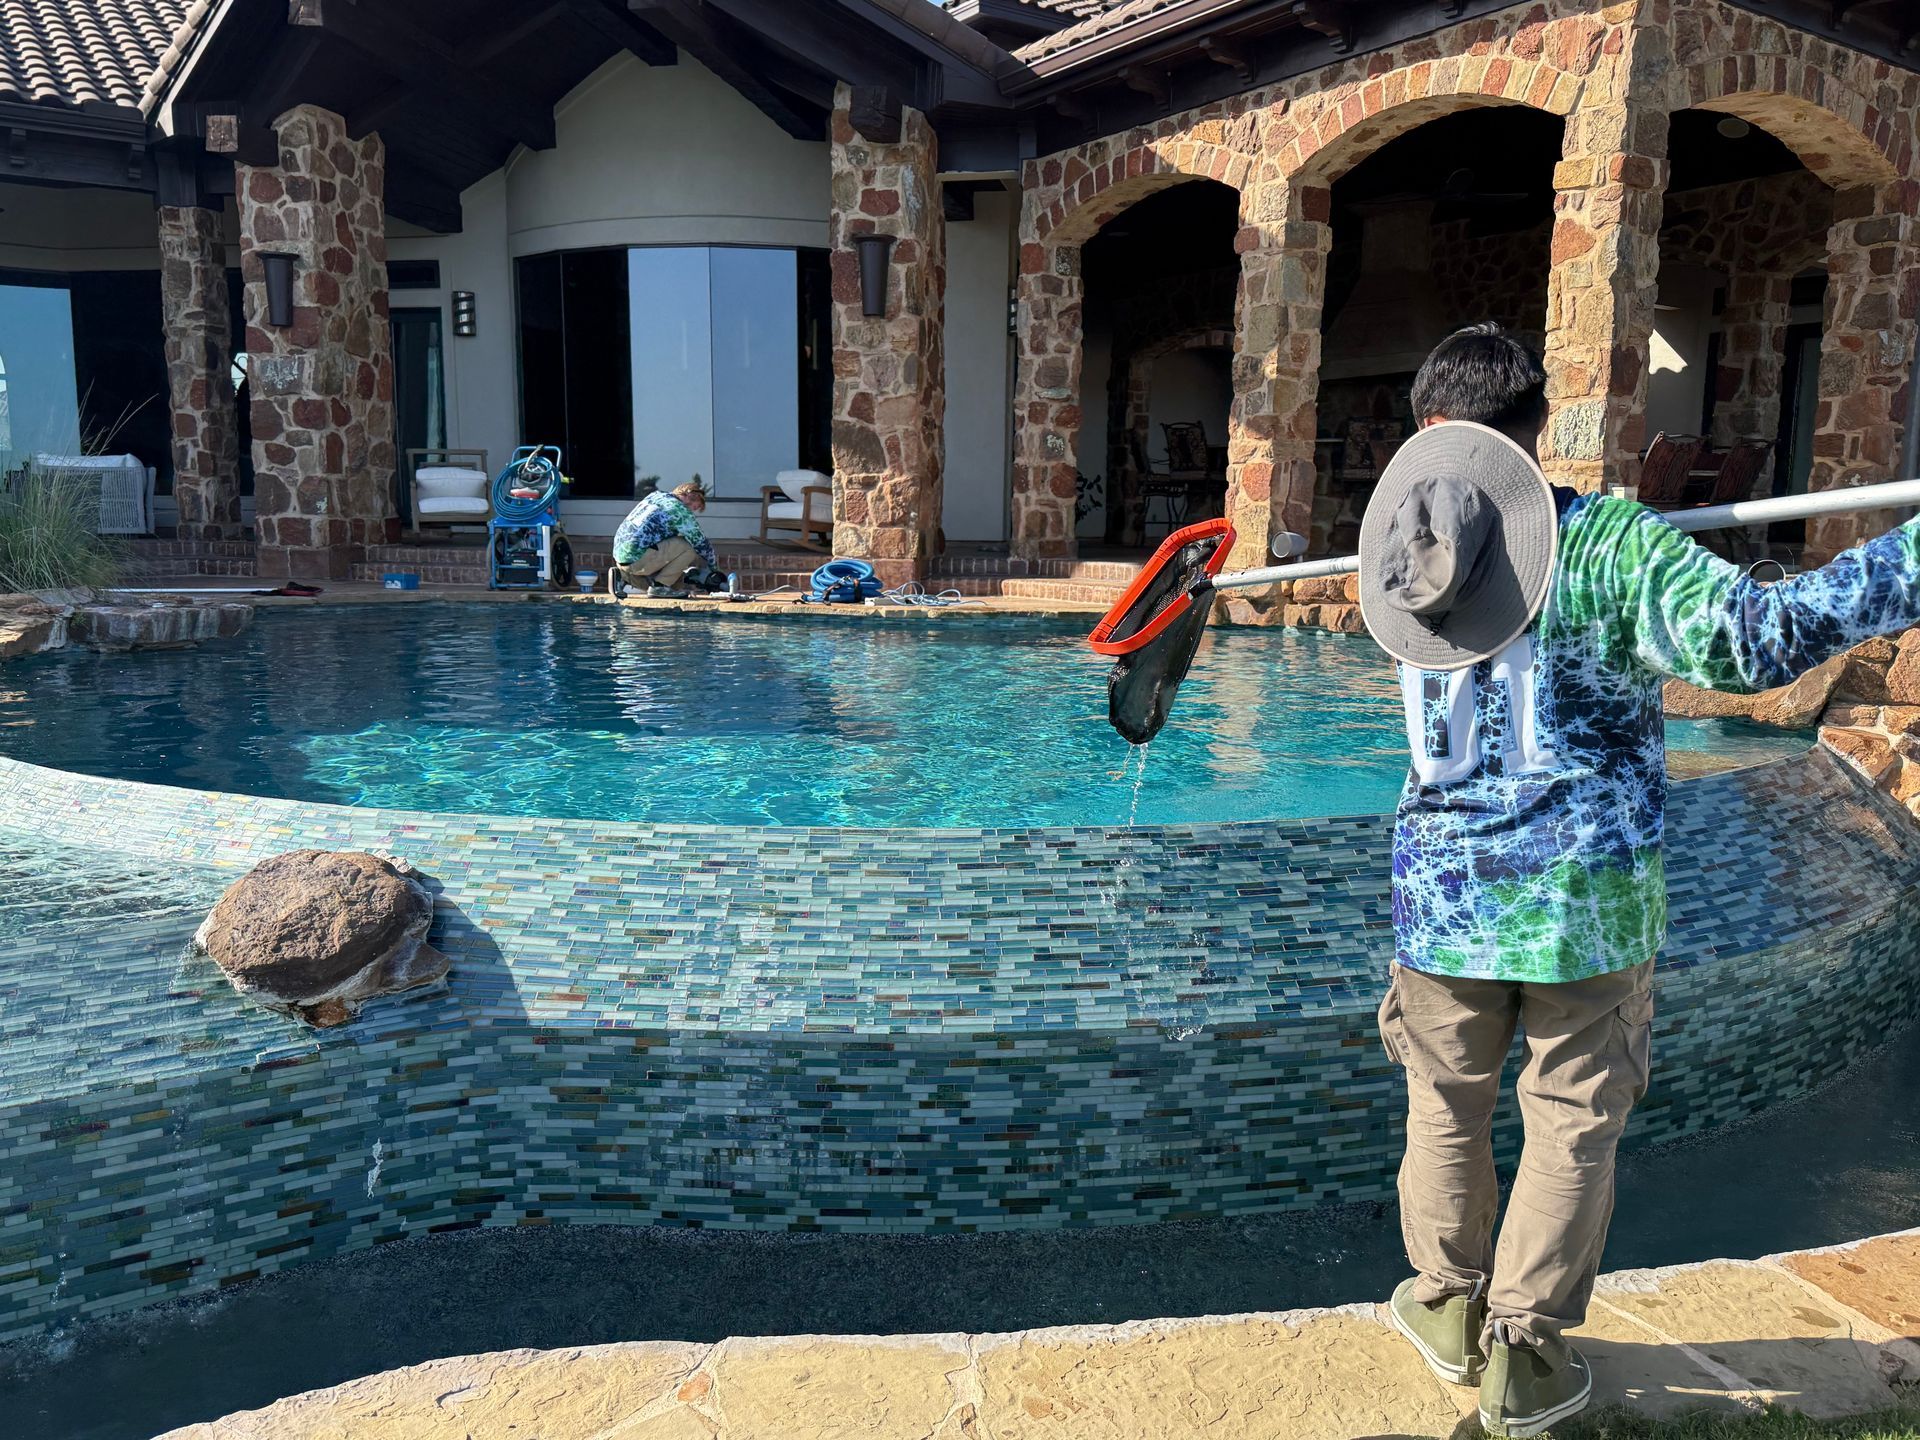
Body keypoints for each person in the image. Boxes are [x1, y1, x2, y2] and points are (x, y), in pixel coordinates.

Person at [1369, 323, 1920, 1438]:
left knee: (1445, 1104)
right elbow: (1755, 642)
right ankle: (1522, 1360)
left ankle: (1440, 1302)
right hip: (1584, 898)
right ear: (1533, 429)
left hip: (1442, 895)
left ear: (1428, 434)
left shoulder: (1404, 547)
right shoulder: (1606, 545)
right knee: (1570, 1118)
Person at [611, 480, 716, 598]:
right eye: (694, 507)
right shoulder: (678, 509)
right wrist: (714, 569)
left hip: (621, 556)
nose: (692, 511)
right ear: (688, 496)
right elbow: (701, 543)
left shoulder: (656, 496)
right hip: (637, 559)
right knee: (689, 548)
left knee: (673, 587)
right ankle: (659, 587)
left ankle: (622, 576)